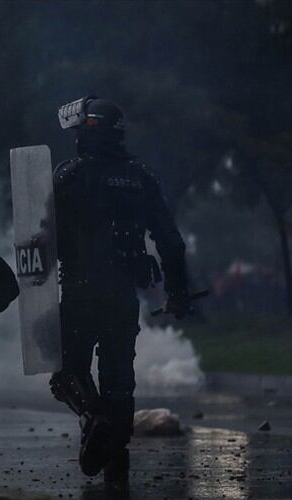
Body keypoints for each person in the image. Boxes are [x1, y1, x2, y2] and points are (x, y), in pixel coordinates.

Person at [50, 96, 192, 488]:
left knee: (67, 374)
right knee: (119, 381)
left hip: (79, 290)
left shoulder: (68, 175)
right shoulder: (141, 177)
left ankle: (93, 420)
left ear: (85, 133)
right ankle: (117, 461)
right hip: (122, 295)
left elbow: (41, 237)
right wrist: (178, 292)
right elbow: (171, 242)